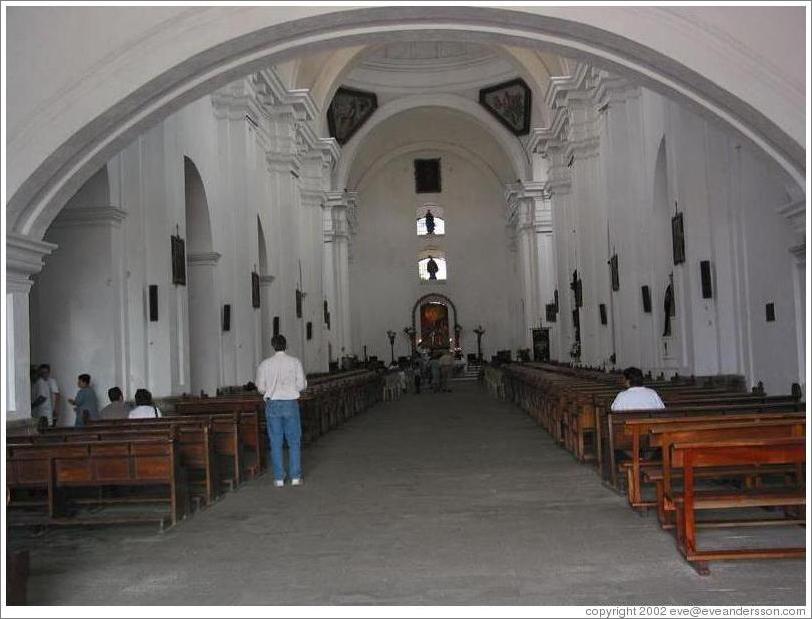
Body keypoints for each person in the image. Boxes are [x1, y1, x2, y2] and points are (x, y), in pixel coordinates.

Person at [256, 334, 307, 487]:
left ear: (273, 346)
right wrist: (290, 388)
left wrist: (272, 389)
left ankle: (279, 478)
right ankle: (296, 477)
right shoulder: (295, 362)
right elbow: (302, 385)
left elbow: (261, 388)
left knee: (276, 441)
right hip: (290, 403)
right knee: (294, 441)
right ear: (286, 345)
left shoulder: (265, 364)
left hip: (273, 405)